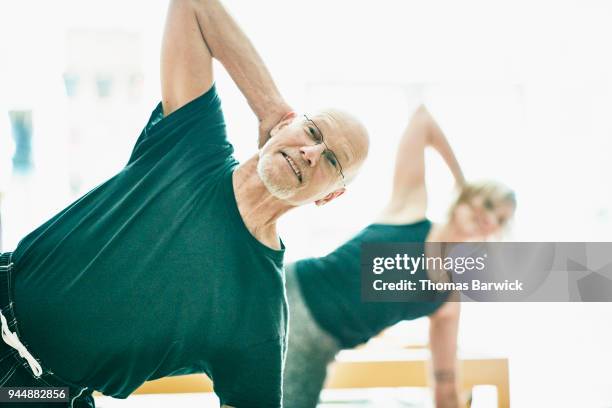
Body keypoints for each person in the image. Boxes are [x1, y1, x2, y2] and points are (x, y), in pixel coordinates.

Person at [0, 1, 369, 407]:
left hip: (37, 394)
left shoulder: (261, 313)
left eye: (332, 160)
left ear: (329, 196)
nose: (311, 153)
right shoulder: (193, 144)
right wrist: (271, 109)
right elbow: (193, 7)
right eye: (312, 131)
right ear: (289, 124)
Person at [283, 105, 516, 408]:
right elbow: (422, 120)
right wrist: (463, 183)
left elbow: (445, 382)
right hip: (289, 291)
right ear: (469, 196)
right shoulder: (411, 209)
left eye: (498, 219)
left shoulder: (448, 298)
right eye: (486, 203)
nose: (487, 217)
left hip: (318, 348)